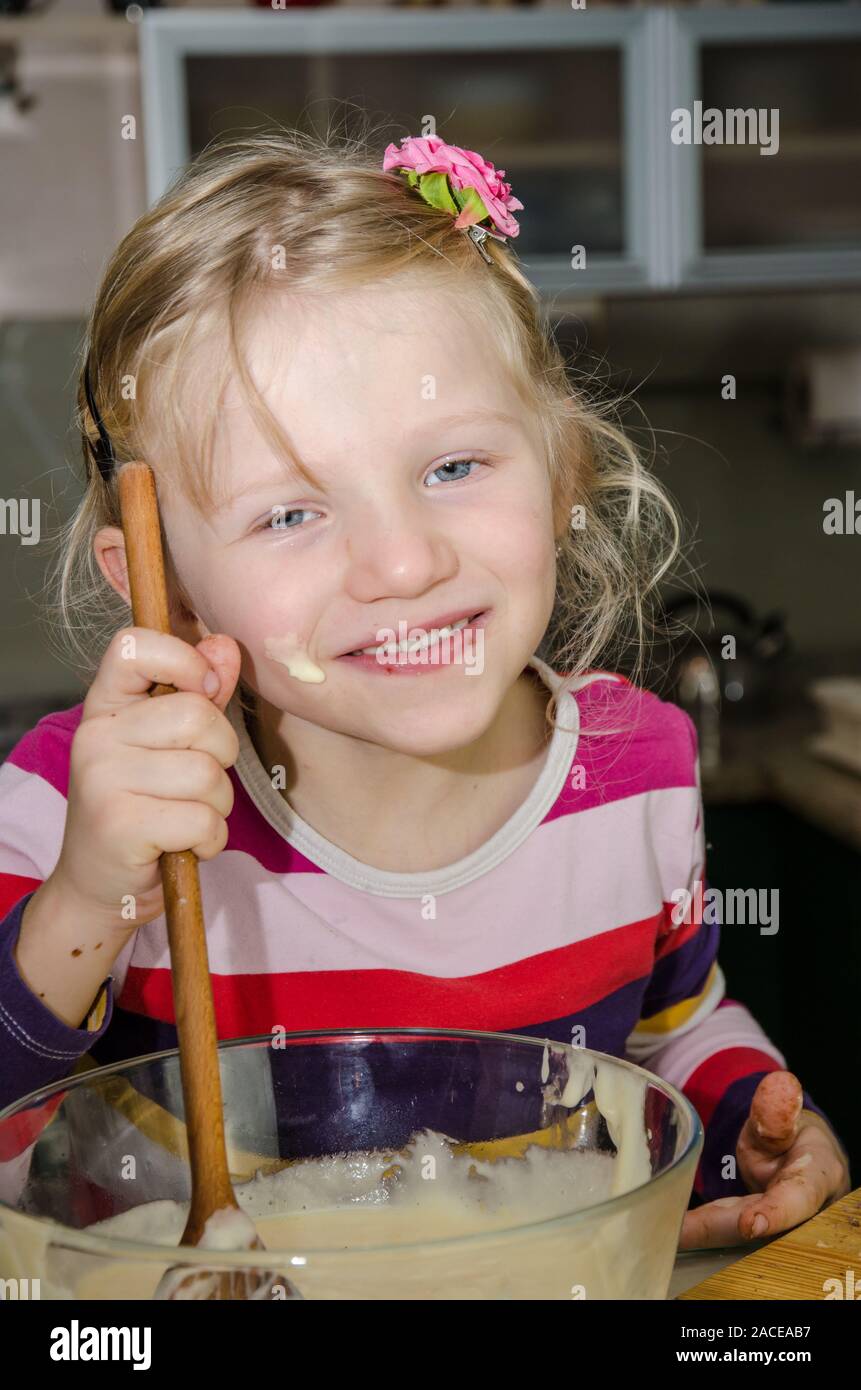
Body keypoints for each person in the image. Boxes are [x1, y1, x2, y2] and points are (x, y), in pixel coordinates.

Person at [0, 128, 849, 1251]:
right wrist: (87, 899)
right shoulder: (84, 806)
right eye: (290, 513)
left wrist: (745, 1109)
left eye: (453, 467)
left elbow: (666, 1032)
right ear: (171, 593)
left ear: (562, 476)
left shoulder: (637, 768)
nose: (403, 563)